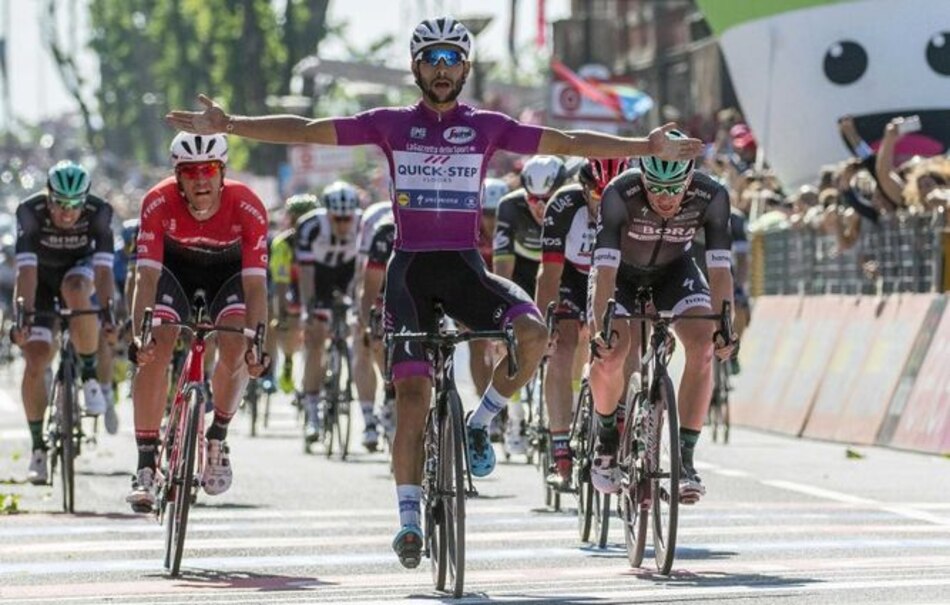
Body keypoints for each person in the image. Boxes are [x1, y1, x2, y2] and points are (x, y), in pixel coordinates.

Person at [165, 15, 703, 568]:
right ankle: (408, 519)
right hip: (410, 275)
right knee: (415, 401)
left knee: (535, 332)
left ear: (465, 67)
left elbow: (566, 141)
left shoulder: (487, 126)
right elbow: (305, 128)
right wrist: (231, 124)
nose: (442, 70)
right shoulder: (391, 124)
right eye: (432, 59)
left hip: (466, 269)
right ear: (416, 67)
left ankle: (479, 422)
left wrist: (644, 143)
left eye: (452, 60)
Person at [588, 130, 736, 504]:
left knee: (703, 347)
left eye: (674, 190)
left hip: (675, 272)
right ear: (642, 178)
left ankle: (684, 461)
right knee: (612, 352)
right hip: (620, 274)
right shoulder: (620, 194)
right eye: (656, 189)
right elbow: (604, 271)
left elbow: (719, 270)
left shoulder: (712, 195)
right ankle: (607, 437)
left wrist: (725, 328)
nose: (665, 199)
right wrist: (601, 329)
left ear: (689, 180)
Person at [125, 132, 270, 512]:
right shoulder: (157, 201)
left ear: (222, 173)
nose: (201, 179)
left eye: (209, 169)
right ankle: (144, 465)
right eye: (190, 172)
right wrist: (138, 336)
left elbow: (256, 286)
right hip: (175, 271)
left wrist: (259, 343)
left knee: (237, 344)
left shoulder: (249, 206)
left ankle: (217, 437)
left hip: (227, 273)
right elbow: (146, 277)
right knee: (157, 344)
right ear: (178, 177)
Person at [12, 161, 116, 485]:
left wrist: (110, 312)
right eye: (60, 204)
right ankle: (39, 448)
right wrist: (24, 318)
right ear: (48, 195)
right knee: (36, 358)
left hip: (79, 271)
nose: (67, 213)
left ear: (85, 200)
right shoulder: (30, 211)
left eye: (74, 205)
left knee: (76, 290)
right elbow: (26, 273)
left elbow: (104, 271)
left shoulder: (100, 212)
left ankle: (87, 374)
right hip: (40, 279)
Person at [535, 158, 626, 490]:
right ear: (584, 187)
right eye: (597, 195)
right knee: (563, 347)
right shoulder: (563, 204)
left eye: (610, 196)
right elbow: (549, 273)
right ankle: (560, 448)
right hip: (571, 278)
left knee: (622, 342)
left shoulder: (633, 201)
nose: (602, 204)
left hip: (616, 276)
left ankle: (618, 419)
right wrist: (544, 326)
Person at [493, 155, 567, 455]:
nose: (540, 207)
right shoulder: (510, 207)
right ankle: (515, 416)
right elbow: (502, 270)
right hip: (522, 273)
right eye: (533, 199)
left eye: (547, 199)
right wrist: (500, 317)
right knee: (509, 341)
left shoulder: (568, 206)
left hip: (560, 272)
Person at [295, 181, 362, 447]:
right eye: (338, 218)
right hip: (319, 276)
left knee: (357, 324)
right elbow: (306, 272)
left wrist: (358, 303)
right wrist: (309, 307)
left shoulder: (363, 223)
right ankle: (312, 409)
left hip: (348, 273)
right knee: (315, 339)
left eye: (348, 218)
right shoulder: (311, 226)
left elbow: (364, 270)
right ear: (328, 213)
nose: (344, 224)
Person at [353, 198, 395, 450]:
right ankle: (370, 417)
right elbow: (366, 283)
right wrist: (365, 319)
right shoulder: (382, 229)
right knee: (369, 341)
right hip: (379, 287)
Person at [269, 194, 319, 395]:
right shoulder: (283, 243)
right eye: (297, 217)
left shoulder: (323, 238)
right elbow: (281, 281)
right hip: (292, 287)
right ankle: (289, 359)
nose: (302, 222)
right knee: (287, 317)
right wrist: (281, 312)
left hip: (317, 286)